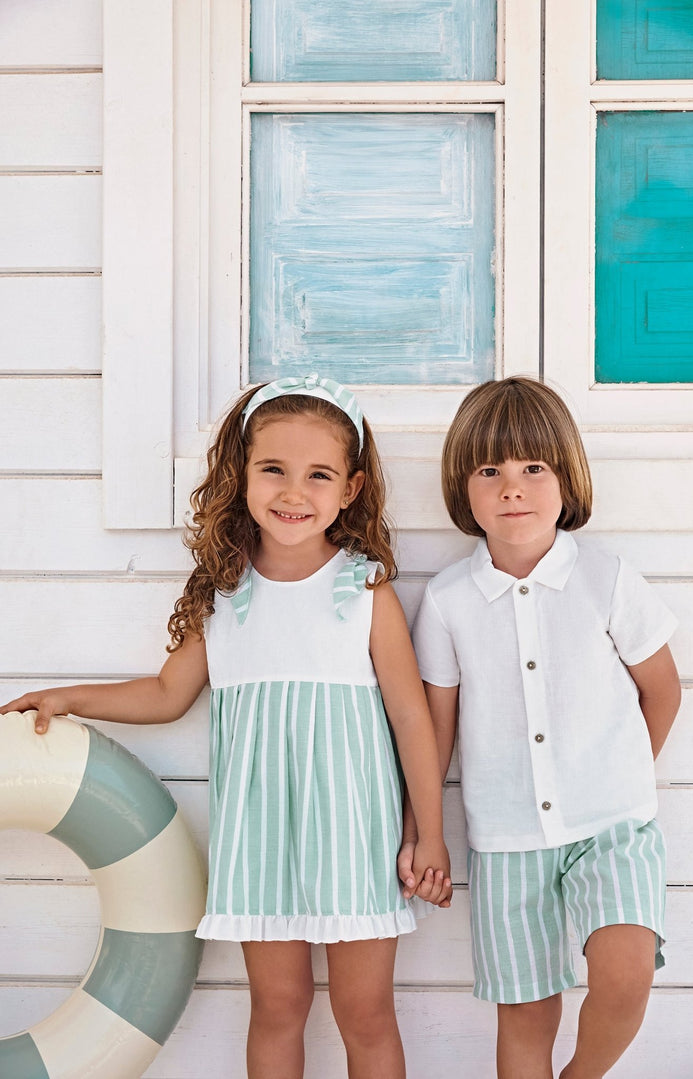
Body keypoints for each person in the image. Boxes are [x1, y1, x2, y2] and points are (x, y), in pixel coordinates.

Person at [2, 372, 452, 1079]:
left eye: (318, 474)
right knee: (277, 1009)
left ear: (351, 488)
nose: (293, 492)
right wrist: (68, 697)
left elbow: (411, 719)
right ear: (241, 474)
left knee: (366, 1014)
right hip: (260, 840)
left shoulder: (363, 587)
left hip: (354, 838)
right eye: (272, 468)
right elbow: (166, 693)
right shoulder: (227, 592)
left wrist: (427, 833)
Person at [401, 376, 681, 1079]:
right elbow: (435, 734)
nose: (511, 487)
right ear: (464, 488)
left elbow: (663, 691)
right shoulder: (447, 600)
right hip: (507, 839)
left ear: (566, 477)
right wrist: (423, 831)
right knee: (526, 1013)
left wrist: (619, 772)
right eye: (489, 470)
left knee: (627, 973)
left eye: (533, 467)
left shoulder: (606, 577)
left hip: (612, 827)